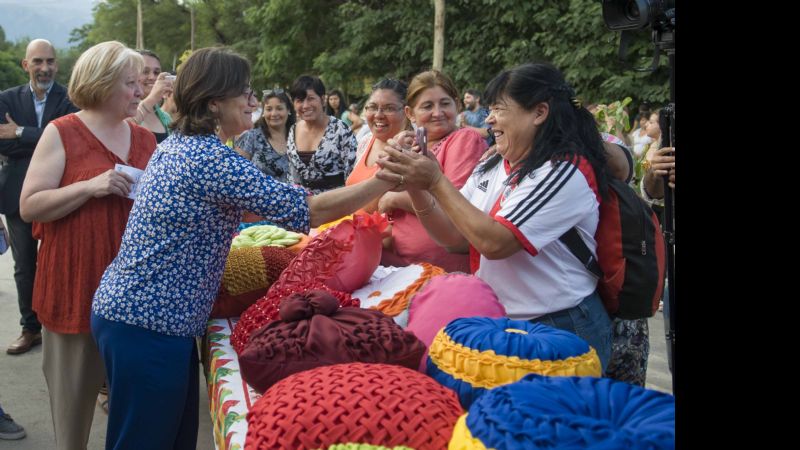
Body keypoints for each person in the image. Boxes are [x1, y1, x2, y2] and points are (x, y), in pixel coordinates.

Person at [90, 47, 398, 450]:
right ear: (215, 102)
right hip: (148, 323)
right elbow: (310, 210)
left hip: (150, 319)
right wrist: (383, 180)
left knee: (171, 438)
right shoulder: (209, 157)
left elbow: (243, 208)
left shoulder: (185, 147)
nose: (254, 103)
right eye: (247, 94)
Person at [376, 62, 614, 370]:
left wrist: (435, 181)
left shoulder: (563, 170)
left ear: (539, 113)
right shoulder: (493, 164)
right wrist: (418, 187)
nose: (489, 119)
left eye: (499, 109)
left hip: (559, 324)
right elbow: (454, 238)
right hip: (503, 319)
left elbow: (496, 243)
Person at [18, 40, 156, 450]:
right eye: (131, 82)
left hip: (132, 293)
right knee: (73, 412)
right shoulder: (61, 132)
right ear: (102, 84)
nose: (139, 91)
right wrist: (90, 186)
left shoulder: (145, 139)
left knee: (132, 410)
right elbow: (29, 206)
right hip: (74, 287)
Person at [0, 38, 79, 355]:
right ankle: (30, 328)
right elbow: (2, 145)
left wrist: (20, 132)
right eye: (38, 62)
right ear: (26, 65)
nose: (44, 68)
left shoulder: (70, 99)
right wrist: (47, 139)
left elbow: (70, 139)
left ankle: (62, 327)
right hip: (17, 195)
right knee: (25, 266)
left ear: (57, 65)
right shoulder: (5, 99)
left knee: (62, 261)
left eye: (50, 61)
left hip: (61, 193)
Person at [379, 70, 486, 273]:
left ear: (458, 105)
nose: (437, 113)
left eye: (445, 104)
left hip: (443, 270)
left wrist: (395, 199)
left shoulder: (464, 138)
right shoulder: (415, 144)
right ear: (410, 113)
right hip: (403, 265)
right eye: (428, 106)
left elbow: (454, 205)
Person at [345, 79, 411, 214]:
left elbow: (370, 204)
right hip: (352, 229)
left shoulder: (412, 149)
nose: (379, 115)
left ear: (406, 111)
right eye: (373, 107)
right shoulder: (365, 141)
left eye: (389, 108)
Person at [286, 75, 357, 194]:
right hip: (303, 206)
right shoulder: (293, 130)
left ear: (323, 99)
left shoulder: (340, 129)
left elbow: (353, 173)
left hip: (337, 204)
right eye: (300, 100)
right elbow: (292, 175)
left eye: (311, 98)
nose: (305, 105)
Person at [234, 89, 295, 182]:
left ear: (288, 110)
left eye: (279, 108)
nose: (274, 114)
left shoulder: (298, 137)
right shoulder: (251, 138)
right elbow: (236, 174)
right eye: (269, 109)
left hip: (296, 195)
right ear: (263, 112)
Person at [130, 49, 175, 143]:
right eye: (145, 72)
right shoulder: (124, 112)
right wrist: (153, 97)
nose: (152, 77)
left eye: (156, 72)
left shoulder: (166, 118)